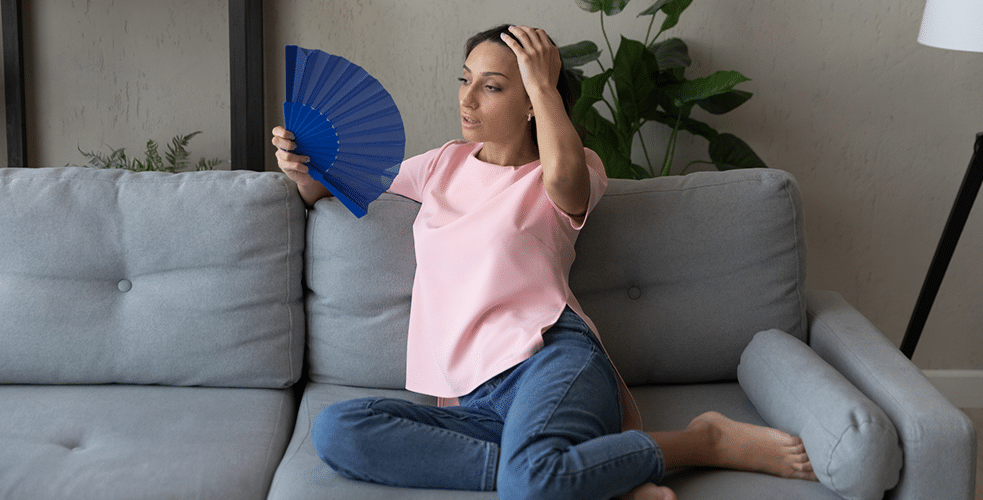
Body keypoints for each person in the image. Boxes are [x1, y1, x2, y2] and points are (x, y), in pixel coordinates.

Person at [272, 24, 817, 500]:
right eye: (465, 79)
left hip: (549, 359)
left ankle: (704, 441)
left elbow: (567, 183)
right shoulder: (441, 164)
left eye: (491, 87)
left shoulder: (568, 169)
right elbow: (335, 187)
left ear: (534, 100)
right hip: (470, 400)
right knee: (337, 431)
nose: (467, 99)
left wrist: (543, 82)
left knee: (529, 485)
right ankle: (590, 474)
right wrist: (301, 169)